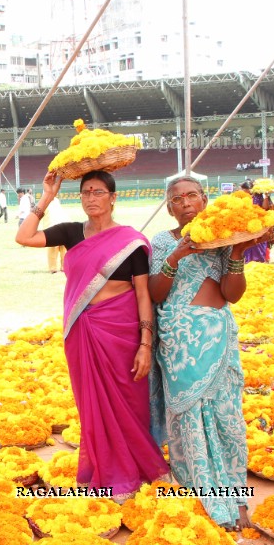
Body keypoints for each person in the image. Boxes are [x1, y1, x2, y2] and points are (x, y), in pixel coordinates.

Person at [15, 171, 168, 499]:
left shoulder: (131, 242)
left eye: (98, 192)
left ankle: (136, 468)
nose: (91, 198)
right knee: (92, 407)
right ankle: (106, 470)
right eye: (85, 193)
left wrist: (145, 344)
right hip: (82, 333)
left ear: (113, 198)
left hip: (123, 335)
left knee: (130, 403)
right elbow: (24, 238)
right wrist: (45, 197)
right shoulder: (71, 232)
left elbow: (143, 296)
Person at [148, 177, 263, 529]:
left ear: (205, 199)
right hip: (180, 343)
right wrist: (175, 257)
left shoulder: (227, 239)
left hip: (218, 339)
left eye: (192, 196)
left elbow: (233, 293)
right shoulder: (162, 241)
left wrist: (239, 253)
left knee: (227, 417)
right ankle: (198, 493)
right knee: (189, 421)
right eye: (177, 199)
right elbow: (155, 294)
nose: (185, 203)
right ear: (169, 207)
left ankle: (233, 492)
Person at [244, 188, 274, 264]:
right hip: (248, 226)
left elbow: (265, 208)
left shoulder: (260, 197)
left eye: (245, 190)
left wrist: (267, 196)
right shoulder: (246, 198)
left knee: (258, 245)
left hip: (259, 226)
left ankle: (259, 262)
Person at [43, 194, 68, 273]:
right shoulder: (45, 202)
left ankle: (60, 267)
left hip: (59, 227)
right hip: (54, 227)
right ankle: (56, 268)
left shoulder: (55, 201)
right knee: (55, 249)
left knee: (61, 249)